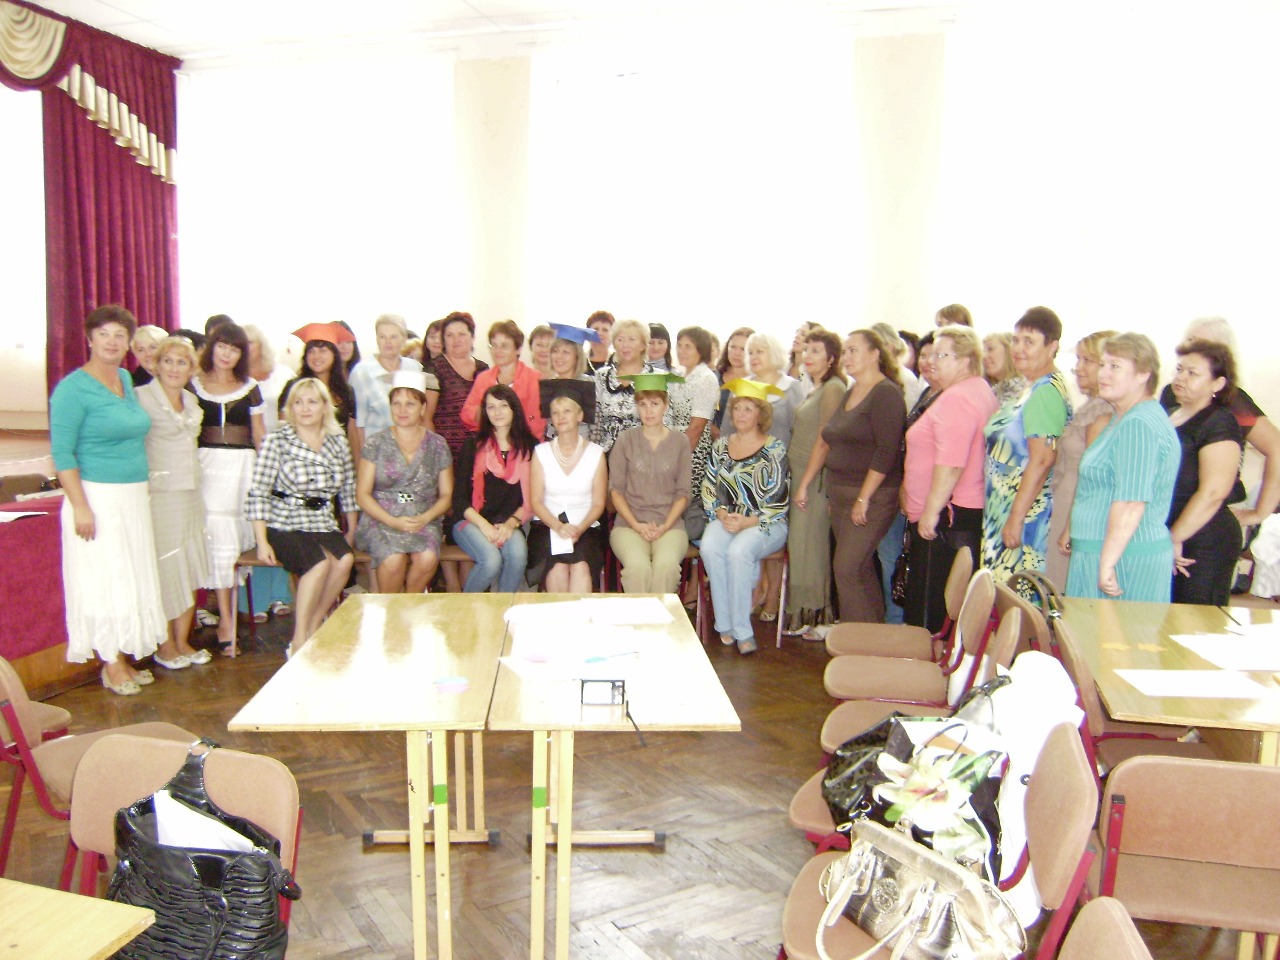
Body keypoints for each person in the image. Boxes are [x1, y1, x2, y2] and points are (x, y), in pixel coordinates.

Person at [50, 305, 167, 695]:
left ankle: (123, 657)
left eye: (120, 335)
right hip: (95, 498)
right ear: (89, 339)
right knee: (104, 579)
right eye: (104, 334)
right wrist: (81, 506)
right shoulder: (72, 389)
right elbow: (62, 454)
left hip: (131, 497)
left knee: (128, 577)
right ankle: (111, 663)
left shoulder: (124, 379)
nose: (112, 342)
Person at [796, 330, 905, 624]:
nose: (847, 357)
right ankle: (869, 633)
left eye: (854, 350)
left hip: (872, 497)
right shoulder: (851, 392)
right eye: (845, 351)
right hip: (841, 492)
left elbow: (886, 450)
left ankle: (856, 636)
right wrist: (808, 484)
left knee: (846, 568)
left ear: (875, 354)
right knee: (858, 570)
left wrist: (863, 498)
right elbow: (827, 439)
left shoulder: (886, 394)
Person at [246, 378, 357, 656]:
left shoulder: (337, 441)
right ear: (290, 408)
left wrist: (352, 530)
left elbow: (348, 489)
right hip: (283, 521)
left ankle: (315, 624)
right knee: (318, 564)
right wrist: (262, 541)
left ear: (324, 407)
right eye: (298, 402)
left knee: (345, 560)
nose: (305, 408)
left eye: (312, 402)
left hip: (322, 520)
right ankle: (298, 640)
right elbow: (258, 491)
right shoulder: (277, 440)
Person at [1065, 333, 1179, 602]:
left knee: (1118, 631)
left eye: (1115, 366)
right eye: (1102, 365)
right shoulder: (1123, 418)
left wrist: (1107, 564)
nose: (1103, 373)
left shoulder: (1138, 424)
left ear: (1143, 374)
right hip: (1102, 552)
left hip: (1124, 560)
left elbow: (1131, 502)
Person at [901, 326, 998, 631]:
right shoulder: (972, 389)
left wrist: (931, 512)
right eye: (931, 354)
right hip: (956, 511)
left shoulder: (958, 398)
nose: (932, 361)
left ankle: (925, 656)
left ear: (965, 360)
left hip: (948, 515)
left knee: (932, 604)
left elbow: (952, 463)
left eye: (942, 355)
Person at [1159, 316, 1280, 530]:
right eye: (1188, 340)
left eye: (1198, 343)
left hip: (1214, 515)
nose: (1189, 348)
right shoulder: (1171, 394)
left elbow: (1276, 446)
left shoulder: (1233, 400)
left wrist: (1260, 512)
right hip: (1171, 507)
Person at [136, 335, 212, 669]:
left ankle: (183, 641)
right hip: (160, 496)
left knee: (189, 566)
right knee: (167, 569)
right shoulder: (141, 398)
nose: (174, 368)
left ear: (191, 368)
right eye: (168, 361)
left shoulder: (192, 402)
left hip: (191, 493)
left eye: (182, 362)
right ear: (156, 364)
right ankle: (165, 644)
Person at [981, 307, 1072, 582]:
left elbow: (1043, 459)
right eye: (1016, 340)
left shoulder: (1045, 393)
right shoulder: (1032, 387)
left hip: (1026, 515)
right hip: (1005, 507)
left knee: (1017, 596)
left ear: (1052, 347)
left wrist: (1016, 517)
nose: (1019, 349)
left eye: (1029, 342)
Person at [700, 379, 790, 655]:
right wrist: (721, 512)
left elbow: (778, 499)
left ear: (761, 415)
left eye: (748, 409)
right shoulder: (720, 446)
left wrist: (748, 521)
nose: (740, 414)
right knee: (709, 546)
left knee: (739, 552)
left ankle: (743, 630)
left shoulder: (775, 449)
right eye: (737, 408)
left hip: (766, 522)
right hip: (727, 518)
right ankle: (724, 623)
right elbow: (709, 486)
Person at [192, 320, 265, 652]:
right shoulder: (194, 385)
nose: (226, 354)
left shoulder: (250, 387)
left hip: (241, 469)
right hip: (205, 468)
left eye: (234, 349)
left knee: (231, 543)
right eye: (222, 346)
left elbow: (259, 434)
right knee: (215, 539)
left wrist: (265, 475)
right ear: (212, 347)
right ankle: (223, 617)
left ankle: (228, 617)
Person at [356, 371, 454, 594]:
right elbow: (362, 494)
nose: (402, 410)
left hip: (423, 517)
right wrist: (392, 521)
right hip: (382, 518)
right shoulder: (375, 442)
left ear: (423, 408)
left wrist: (426, 517)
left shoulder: (438, 444)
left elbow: (447, 494)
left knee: (427, 557)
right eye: (396, 404)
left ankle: (410, 603)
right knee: (393, 559)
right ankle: (391, 606)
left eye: (410, 404)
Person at [1165, 339, 1246, 605]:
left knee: (1193, 621)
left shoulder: (1219, 421)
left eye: (1192, 373)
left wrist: (1175, 537)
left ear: (1217, 384)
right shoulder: (1170, 414)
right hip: (1168, 531)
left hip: (1203, 538)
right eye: (1179, 370)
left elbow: (1214, 492)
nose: (1181, 377)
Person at [783, 329, 846, 636]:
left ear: (832, 358)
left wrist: (805, 483)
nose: (808, 356)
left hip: (814, 479)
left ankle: (817, 617)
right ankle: (805, 613)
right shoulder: (817, 386)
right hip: (801, 474)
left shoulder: (833, 388)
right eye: (806, 350)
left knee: (811, 547)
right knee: (801, 546)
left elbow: (825, 439)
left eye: (816, 351)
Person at [608, 374, 693, 594]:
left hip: (670, 525)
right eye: (642, 404)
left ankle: (660, 617)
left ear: (666, 405)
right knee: (638, 568)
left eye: (654, 404)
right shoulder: (625, 440)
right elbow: (616, 491)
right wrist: (636, 525)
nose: (648, 411)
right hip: (629, 525)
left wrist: (665, 525)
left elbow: (683, 493)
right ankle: (640, 617)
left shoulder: (680, 442)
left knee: (666, 568)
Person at [1046, 330, 1118, 586]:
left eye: (1087, 360)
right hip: (1066, 499)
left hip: (1075, 505)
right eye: (1078, 359)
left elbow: (1092, 475)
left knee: (1064, 583)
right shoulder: (1091, 406)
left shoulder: (1102, 411)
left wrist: (1071, 526)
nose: (1078, 368)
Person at [451, 384, 535, 592]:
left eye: (503, 405)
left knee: (518, 556)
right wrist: (484, 526)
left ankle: (502, 608)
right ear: (485, 412)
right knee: (490, 562)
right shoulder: (473, 446)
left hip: (509, 522)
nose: (497, 412)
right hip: (471, 521)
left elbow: (532, 498)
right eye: (491, 407)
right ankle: (465, 608)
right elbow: (459, 500)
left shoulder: (530, 447)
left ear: (514, 408)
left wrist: (510, 524)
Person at [529, 384, 608, 592]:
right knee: (558, 568)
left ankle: (579, 614)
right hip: (547, 525)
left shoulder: (596, 454)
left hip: (585, 527)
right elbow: (536, 501)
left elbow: (598, 503)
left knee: (581, 566)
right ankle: (558, 613)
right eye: (555, 412)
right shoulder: (540, 453)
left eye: (567, 411)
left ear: (580, 415)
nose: (561, 416)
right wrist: (558, 526)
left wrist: (579, 529)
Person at [349, 313, 433, 454]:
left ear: (404, 339)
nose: (388, 342)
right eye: (382, 337)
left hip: (411, 451)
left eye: (393, 337)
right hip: (376, 454)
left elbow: (421, 415)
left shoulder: (415, 368)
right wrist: (362, 461)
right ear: (377, 339)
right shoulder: (361, 372)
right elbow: (357, 425)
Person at [461, 319, 545, 440]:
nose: (498, 351)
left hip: (525, 444)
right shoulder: (483, 378)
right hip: (490, 444)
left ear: (518, 349)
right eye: (493, 345)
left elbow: (536, 423)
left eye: (504, 346)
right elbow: (466, 415)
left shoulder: (534, 378)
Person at [667, 327, 720, 519]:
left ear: (701, 349)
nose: (682, 351)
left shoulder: (706, 378)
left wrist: (677, 459)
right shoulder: (678, 374)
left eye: (688, 346)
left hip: (692, 451)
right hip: (672, 443)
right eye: (679, 345)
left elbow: (697, 427)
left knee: (683, 505)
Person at [430, 311, 490, 459]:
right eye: (449, 335)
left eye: (461, 334)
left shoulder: (483, 369)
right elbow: (426, 417)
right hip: (446, 454)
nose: (456, 340)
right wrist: (437, 454)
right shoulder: (434, 369)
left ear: (472, 337)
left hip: (480, 451)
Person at [592, 318, 653, 453]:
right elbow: (595, 421)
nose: (625, 345)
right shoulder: (601, 376)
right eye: (620, 339)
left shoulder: (655, 376)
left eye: (632, 339)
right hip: (605, 454)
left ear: (643, 345)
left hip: (644, 455)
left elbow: (665, 425)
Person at [281, 337, 357, 437]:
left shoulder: (346, 391)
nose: (316, 356)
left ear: (334, 354)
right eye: (311, 351)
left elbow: (352, 432)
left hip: (338, 445)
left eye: (322, 351)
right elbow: (284, 424)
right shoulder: (294, 387)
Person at [741, 332, 804, 447]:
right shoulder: (741, 386)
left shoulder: (791, 387)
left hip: (780, 455)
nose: (753, 357)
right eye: (750, 353)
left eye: (759, 351)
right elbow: (728, 431)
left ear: (774, 354)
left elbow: (800, 432)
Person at [244, 324, 295, 434]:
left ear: (261, 345)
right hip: (244, 441)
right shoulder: (234, 377)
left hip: (279, 438)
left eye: (250, 343)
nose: (245, 348)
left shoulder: (283, 374)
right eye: (241, 344)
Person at [713, 326, 753, 435]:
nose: (737, 353)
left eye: (743, 349)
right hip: (708, 438)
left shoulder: (756, 382)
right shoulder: (714, 376)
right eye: (733, 347)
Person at [983, 332, 1025, 406]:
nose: (984, 356)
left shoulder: (1019, 389)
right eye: (983, 351)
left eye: (990, 349)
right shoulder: (993, 389)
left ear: (1009, 350)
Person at [585, 310, 615, 375]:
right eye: (596, 329)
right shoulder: (577, 362)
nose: (600, 333)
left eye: (605, 330)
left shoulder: (619, 362)